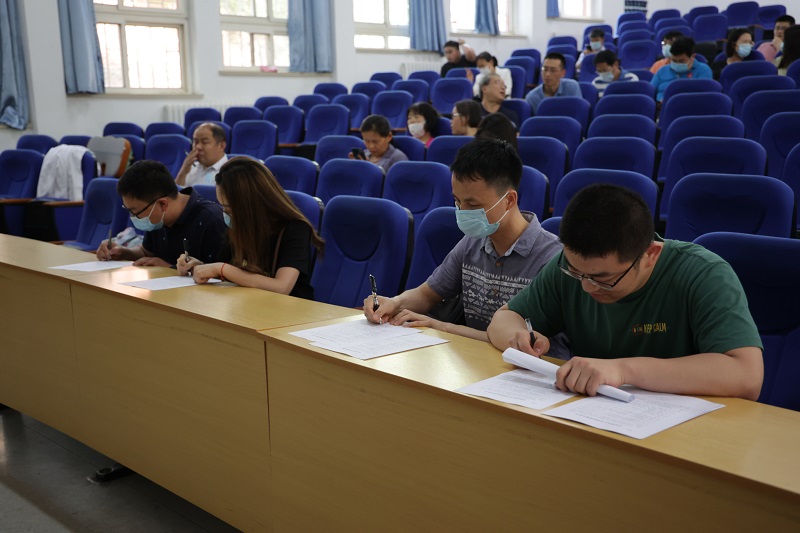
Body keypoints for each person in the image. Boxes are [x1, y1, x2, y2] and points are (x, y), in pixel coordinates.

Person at [487, 183, 763, 400]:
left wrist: (622, 370)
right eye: (577, 273)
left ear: (650, 255)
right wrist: (519, 339)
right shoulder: (569, 267)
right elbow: (504, 318)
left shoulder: (702, 274)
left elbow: (747, 375)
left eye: (604, 278)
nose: (586, 286)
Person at [363, 138, 562, 344]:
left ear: (509, 200)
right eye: (457, 201)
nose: (462, 212)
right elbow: (427, 294)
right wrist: (394, 303)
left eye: (472, 204)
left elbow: (532, 346)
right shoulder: (472, 242)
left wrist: (443, 327)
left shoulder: (552, 258)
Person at [178, 157, 323, 300]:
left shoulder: (295, 228)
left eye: (229, 209)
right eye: (223, 208)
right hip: (248, 305)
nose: (226, 214)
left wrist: (220, 269)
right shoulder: (239, 228)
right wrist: (202, 268)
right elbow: (231, 271)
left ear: (250, 204)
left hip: (290, 309)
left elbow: (282, 287)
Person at [96, 160, 226, 267]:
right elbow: (147, 252)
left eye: (135, 212)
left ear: (163, 204)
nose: (134, 218)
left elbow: (222, 276)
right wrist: (123, 252)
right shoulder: (157, 219)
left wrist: (170, 268)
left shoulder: (212, 220)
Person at [651, 37, 713, 102]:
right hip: (662, 105)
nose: (677, 64)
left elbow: (704, 96)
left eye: (681, 61)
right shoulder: (662, 71)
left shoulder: (703, 70)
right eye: (674, 60)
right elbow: (650, 91)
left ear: (692, 56)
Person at [175, 122, 228, 186]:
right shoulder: (190, 168)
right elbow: (176, 192)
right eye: (196, 142)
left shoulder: (230, 172)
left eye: (205, 142)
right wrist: (183, 171)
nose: (198, 147)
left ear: (221, 146)